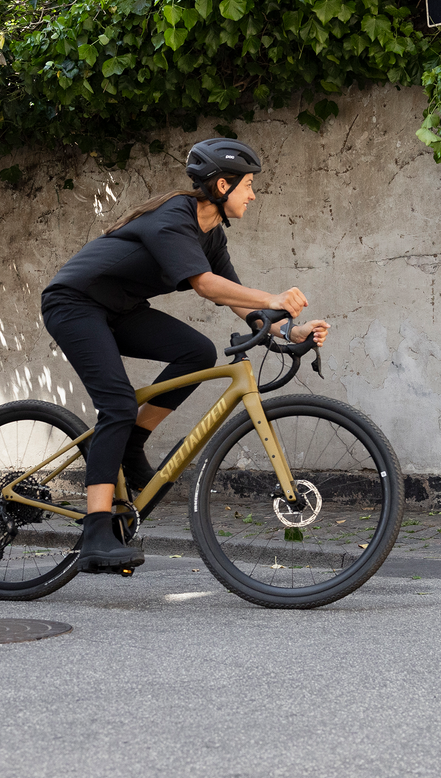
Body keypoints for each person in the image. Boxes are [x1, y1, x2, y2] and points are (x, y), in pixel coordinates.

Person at [41, 138, 329, 574]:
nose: (253, 195)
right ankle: (96, 533)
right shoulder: (173, 218)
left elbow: (240, 303)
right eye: (248, 185)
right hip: (74, 304)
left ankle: (132, 443)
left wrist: (292, 328)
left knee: (198, 351)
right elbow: (205, 285)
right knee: (117, 404)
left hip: (120, 310)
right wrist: (274, 296)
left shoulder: (210, 234)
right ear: (220, 185)